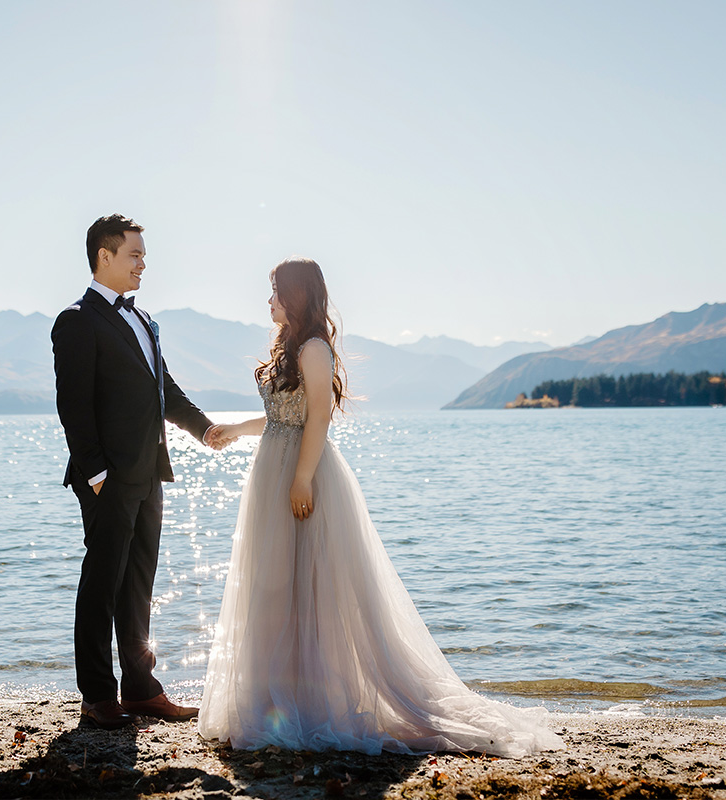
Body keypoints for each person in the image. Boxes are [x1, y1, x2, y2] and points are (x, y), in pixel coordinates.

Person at [198, 258, 564, 756]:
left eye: (277, 293)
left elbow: (319, 419)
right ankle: (274, 701)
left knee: (313, 586)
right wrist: (234, 431)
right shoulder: (286, 347)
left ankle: (317, 701)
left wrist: (302, 479)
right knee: (274, 586)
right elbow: (281, 417)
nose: (269, 301)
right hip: (272, 472)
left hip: (302, 474)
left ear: (297, 296)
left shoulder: (313, 348)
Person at [52, 214, 225, 729]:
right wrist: (98, 474)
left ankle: (142, 689)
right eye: (134, 254)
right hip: (106, 478)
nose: (143, 263)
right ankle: (98, 697)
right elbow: (73, 406)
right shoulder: (77, 320)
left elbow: (162, 390)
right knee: (102, 584)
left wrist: (206, 430)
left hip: (149, 473)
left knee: (139, 584)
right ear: (104, 256)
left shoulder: (144, 319)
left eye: (144, 255)